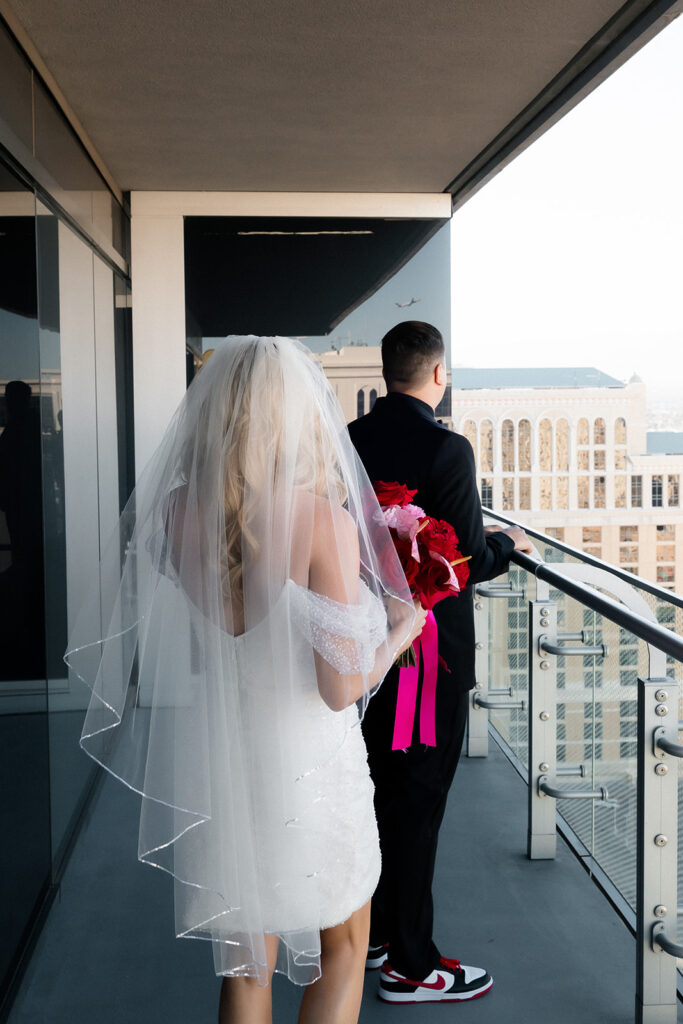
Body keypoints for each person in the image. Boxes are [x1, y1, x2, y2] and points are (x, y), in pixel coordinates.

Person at [65, 336, 424, 1024]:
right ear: (293, 415)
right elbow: (339, 689)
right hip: (311, 768)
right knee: (346, 946)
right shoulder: (324, 521)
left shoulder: (175, 512)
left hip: (225, 764)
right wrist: (400, 629)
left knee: (246, 967)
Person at [348, 321, 532, 1005]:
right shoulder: (447, 448)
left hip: (361, 646)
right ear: (436, 374)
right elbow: (462, 564)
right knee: (419, 801)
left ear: (386, 369)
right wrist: (506, 545)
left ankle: (371, 932)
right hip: (430, 655)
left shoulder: (346, 439)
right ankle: (411, 964)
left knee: (372, 790)